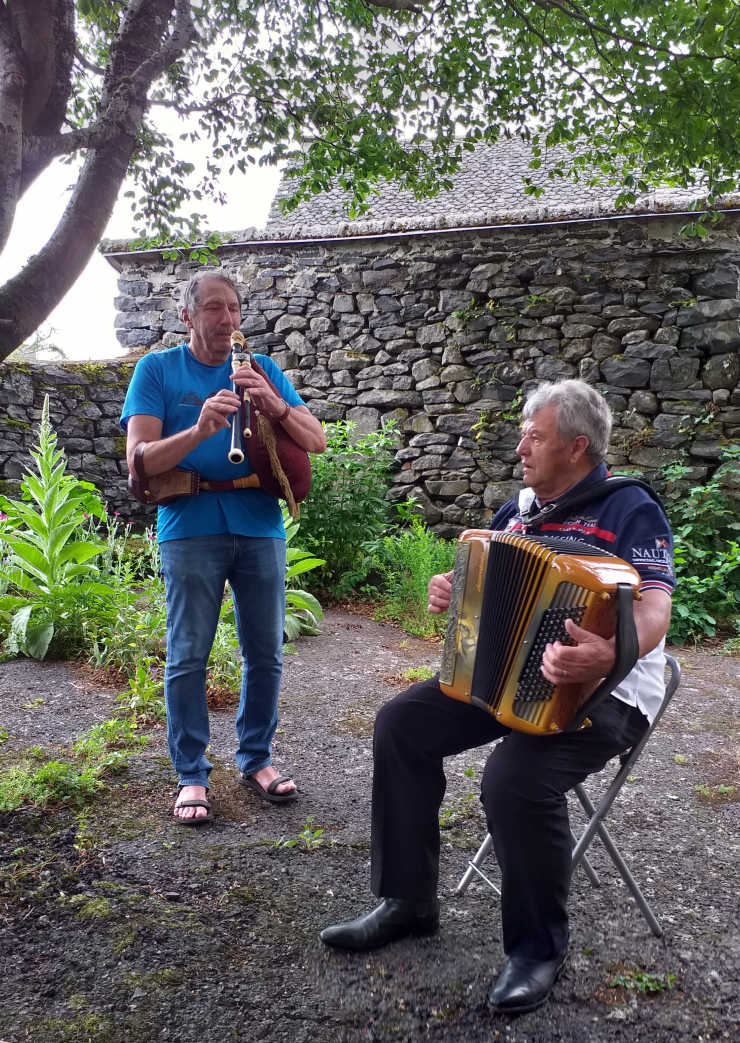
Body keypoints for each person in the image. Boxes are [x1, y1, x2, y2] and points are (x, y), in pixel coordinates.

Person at [320, 379, 674, 1014]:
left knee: (514, 777)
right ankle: (409, 901)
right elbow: (484, 588)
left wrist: (611, 651)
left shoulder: (628, 508)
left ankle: (537, 950)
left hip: (604, 692)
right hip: (505, 677)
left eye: (535, 436)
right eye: (523, 435)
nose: (521, 447)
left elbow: (655, 607)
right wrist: (449, 590)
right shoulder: (519, 511)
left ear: (578, 444)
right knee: (402, 724)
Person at [121, 271, 326, 824]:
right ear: (187, 316)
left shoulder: (261, 368)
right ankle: (191, 774)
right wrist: (200, 430)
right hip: (189, 524)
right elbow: (138, 459)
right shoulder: (158, 370)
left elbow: (317, 439)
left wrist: (275, 405)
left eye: (233, 308)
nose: (227, 320)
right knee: (188, 655)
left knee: (266, 652)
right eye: (213, 308)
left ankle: (256, 759)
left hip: (259, 524)